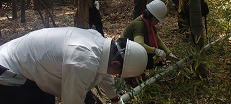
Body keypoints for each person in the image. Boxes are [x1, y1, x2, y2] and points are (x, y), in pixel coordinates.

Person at [0, 27, 148, 104]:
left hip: (24, 65)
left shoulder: (99, 42)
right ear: (116, 63)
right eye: (118, 73)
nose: (114, 76)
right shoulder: (83, 61)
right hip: (8, 71)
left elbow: (106, 74)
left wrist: (115, 98)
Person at [121, 0, 177, 71]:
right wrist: (156, 51)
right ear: (151, 17)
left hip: (133, 51)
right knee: (150, 57)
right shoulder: (139, 25)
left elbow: (158, 40)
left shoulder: (149, 24)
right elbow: (139, 44)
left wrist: (168, 53)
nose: (158, 22)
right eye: (157, 20)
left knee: (153, 58)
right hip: (126, 54)